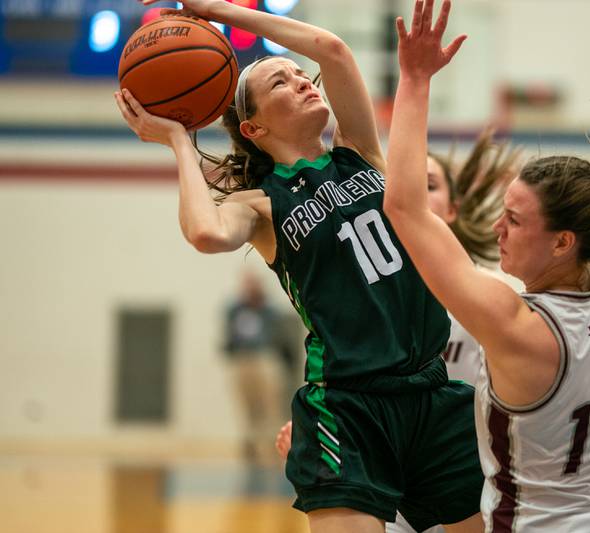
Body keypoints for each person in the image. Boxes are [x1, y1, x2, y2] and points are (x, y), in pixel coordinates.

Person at [115, 1, 482, 532]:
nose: (303, 82)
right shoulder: (261, 205)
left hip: (430, 390)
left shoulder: (361, 154)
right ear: (254, 128)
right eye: (280, 84)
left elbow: (331, 50)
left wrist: (217, 10)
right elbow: (205, 232)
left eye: (298, 74)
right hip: (346, 405)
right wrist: (177, 140)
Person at [384, 3, 590, 531]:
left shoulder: (514, 325)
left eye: (513, 219)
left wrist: (416, 80)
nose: (497, 230)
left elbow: (404, 208)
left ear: (561, 242)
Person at [275, 128, 521, 533]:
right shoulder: (364, 297)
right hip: (391, 482)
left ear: (453, 209)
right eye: (400, 183)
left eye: (428, 185)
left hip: (467, 469)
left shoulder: (498, 294)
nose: (410, 192)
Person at [222, 268, 296, 465]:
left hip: (265, 358)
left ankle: (274, 451)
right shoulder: (234, 310)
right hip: (242, 360)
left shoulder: (270, 311)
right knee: (248, 408)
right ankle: (251, 451)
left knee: (271, 407)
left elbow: (281, 337)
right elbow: (228, 336)